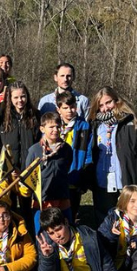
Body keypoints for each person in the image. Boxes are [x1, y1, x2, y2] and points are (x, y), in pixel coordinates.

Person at [88, 86, 137, 225]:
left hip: (127, 180)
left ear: (117, 100)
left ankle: (131, 246)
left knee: (130, 220)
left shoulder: (134, 121)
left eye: (108, 102)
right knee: (105, 221)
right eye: (100, 105)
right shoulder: (94, 124)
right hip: (102, 182)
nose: (105, 108)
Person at [23, 111, 73, 224]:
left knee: (65, 228)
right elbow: (29, 173)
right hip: (42, 200)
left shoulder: (66, 149)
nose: (55, 130)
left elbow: (67, 166)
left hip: (62, 198)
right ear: (42, 129)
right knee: (42, 233)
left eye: (58, 126)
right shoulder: (34, 150)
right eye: (51, 127)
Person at [56, 91, 93, 222]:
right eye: (65, 108)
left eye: (72, 107)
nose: (69, 111)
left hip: (75, 176)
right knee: (55, 214)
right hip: (56, 178)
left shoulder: (84, 126)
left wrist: (84, 178)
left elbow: (88, 153)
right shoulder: (54, 126)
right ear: (58, 109)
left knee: (71, 213)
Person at [0, 81, 40, 172]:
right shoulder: (2, 117)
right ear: (10, 98)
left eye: (23, 96)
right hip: (7, 168)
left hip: (30, 167)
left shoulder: (35, 116)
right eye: (16, 97)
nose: (20, 100)